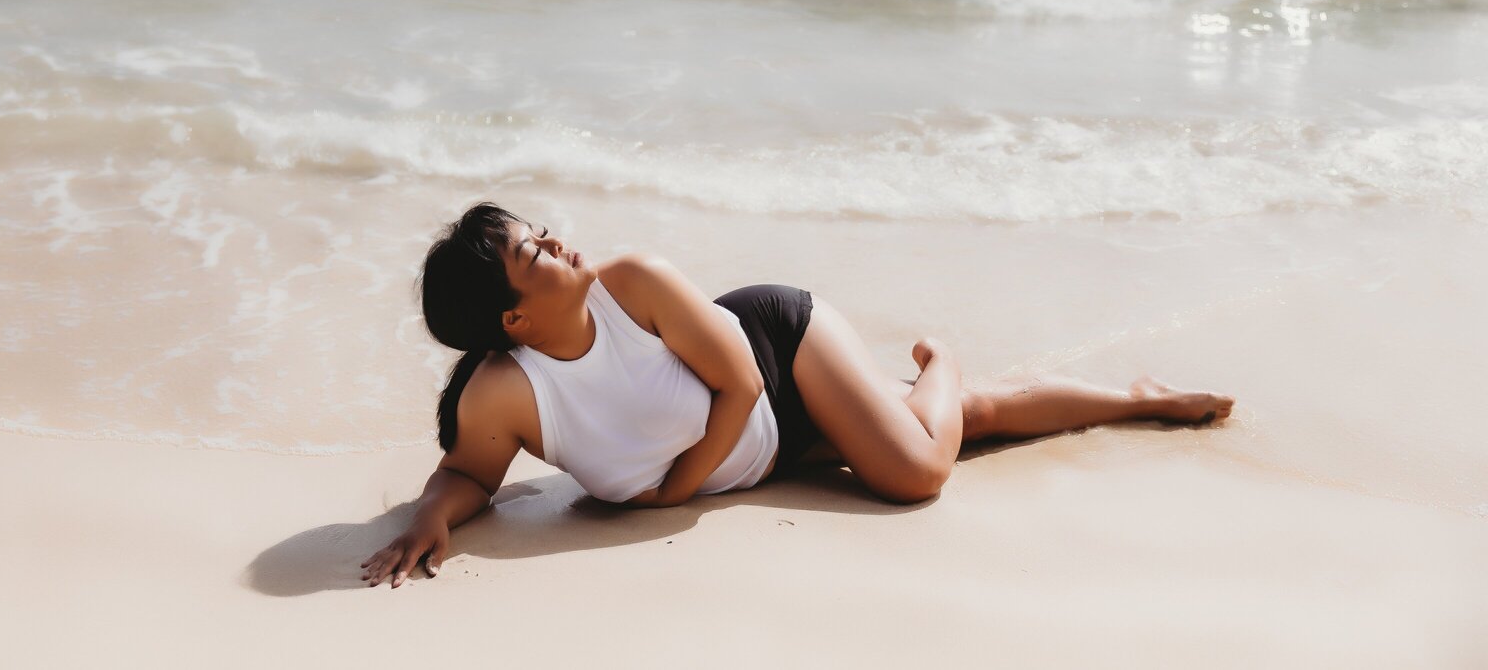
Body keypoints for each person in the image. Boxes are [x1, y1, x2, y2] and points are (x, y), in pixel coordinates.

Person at [363, 202, 1234, 588]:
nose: (554, 240)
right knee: (973, 428)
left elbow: (738, 379)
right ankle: (1134, 396)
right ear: (513, 317)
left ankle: (946, 362)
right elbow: (468, 473)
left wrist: (680, 488)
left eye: (538, 230)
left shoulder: (635, 281)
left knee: (917, 471)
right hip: (763, 453)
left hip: (781, 355)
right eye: (532, 252)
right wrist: (432, 518)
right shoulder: (505, 389)